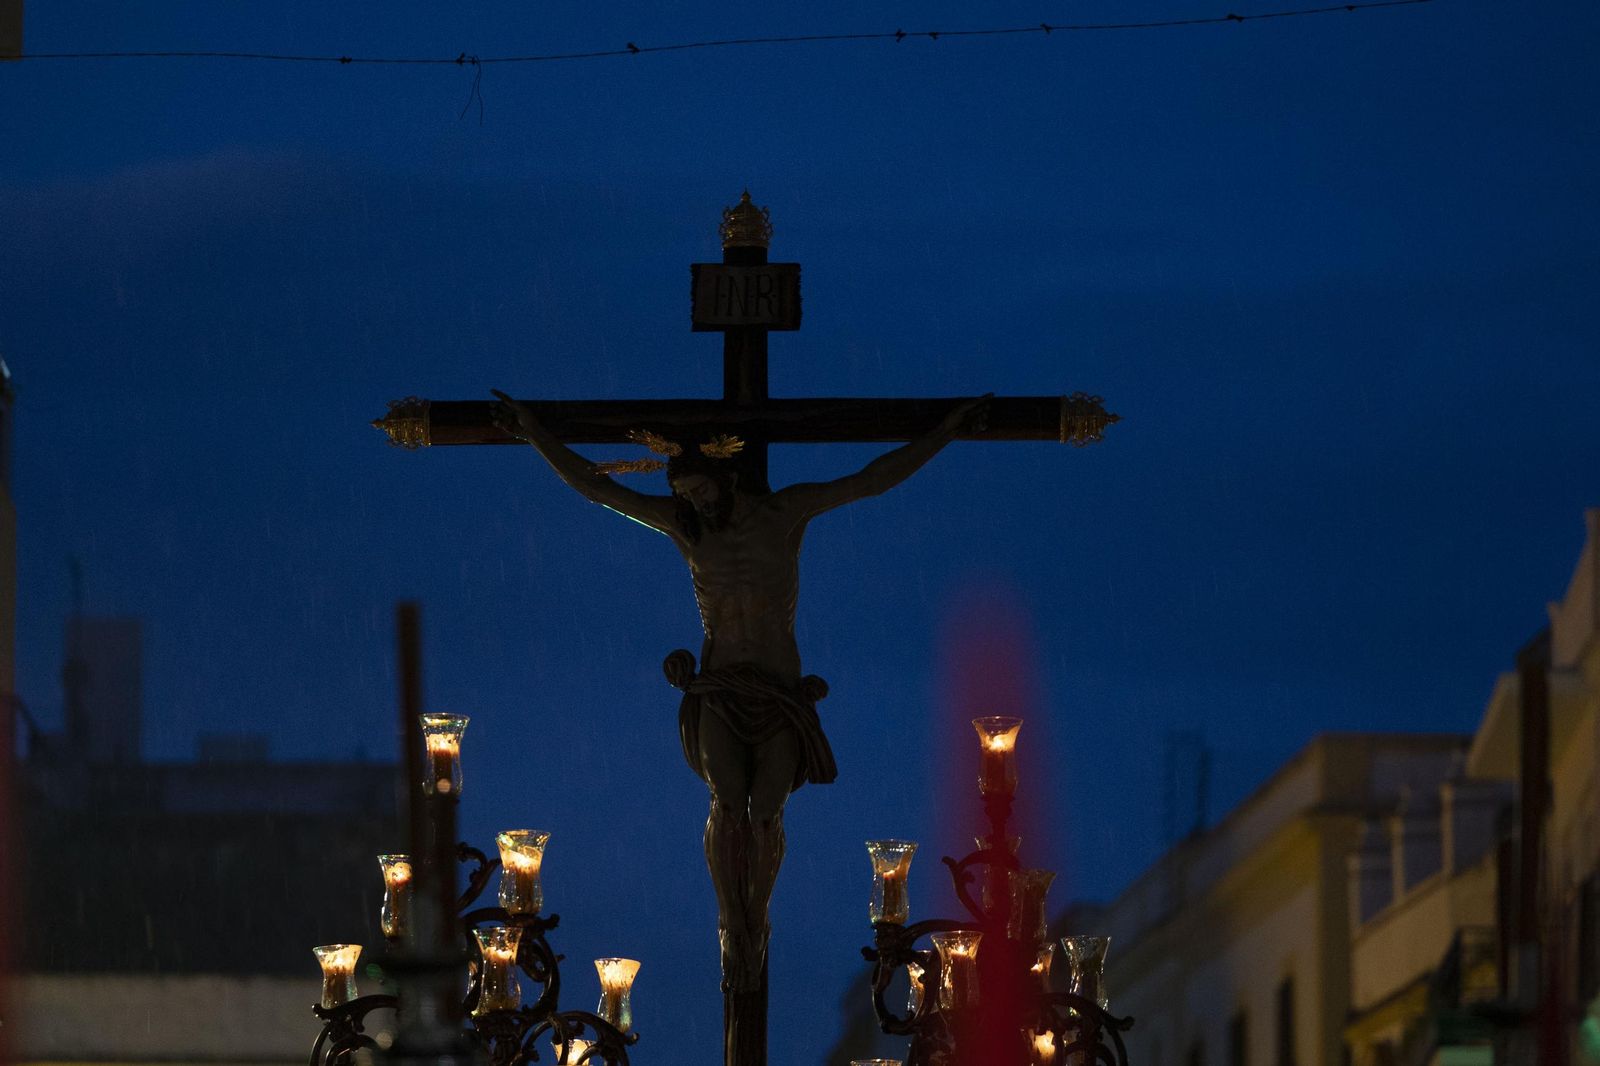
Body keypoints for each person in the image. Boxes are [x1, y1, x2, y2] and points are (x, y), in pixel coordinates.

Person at [490, 389, 988, 991]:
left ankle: (760, 912)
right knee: (727, 802)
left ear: (724, 477)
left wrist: (946, 433)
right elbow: (598, 489)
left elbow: (873, 479)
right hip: (719, 686)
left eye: (700, 491)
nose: (693, 503)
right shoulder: (687, 531)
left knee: (768, 808)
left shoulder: (786, 513)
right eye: (684, 497)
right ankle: (732, 917)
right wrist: (534, 432)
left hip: (778, 690)